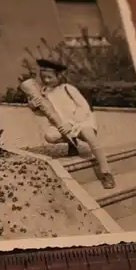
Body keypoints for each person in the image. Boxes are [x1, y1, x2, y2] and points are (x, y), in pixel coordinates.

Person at [27, 59, 116, 189]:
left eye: (50, 77)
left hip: (80, 120)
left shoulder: (68, 88)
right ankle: (72, 143)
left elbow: (84, 107)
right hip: (62, 124)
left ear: (59, 76)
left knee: (91, 138)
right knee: (50, 136)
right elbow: (45, 113)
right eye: (43, 77)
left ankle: (106, 172)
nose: (46, 80)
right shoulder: (43, 93)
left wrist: (72, 122)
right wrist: (34, 107)